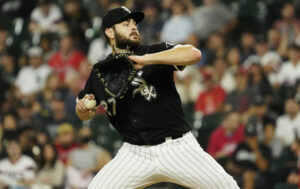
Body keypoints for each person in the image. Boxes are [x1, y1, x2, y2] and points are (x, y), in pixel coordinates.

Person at [76, 6, 238, 188]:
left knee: (227, 186)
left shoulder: (155, 51)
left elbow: (194, 54)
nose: (133, 27)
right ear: (109, 32)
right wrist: (83, 109)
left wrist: (147, 59)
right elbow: (84, 113)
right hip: (134, 153)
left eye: (134, 23)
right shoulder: (100, 72)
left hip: (177, 147)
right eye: (125, 23)